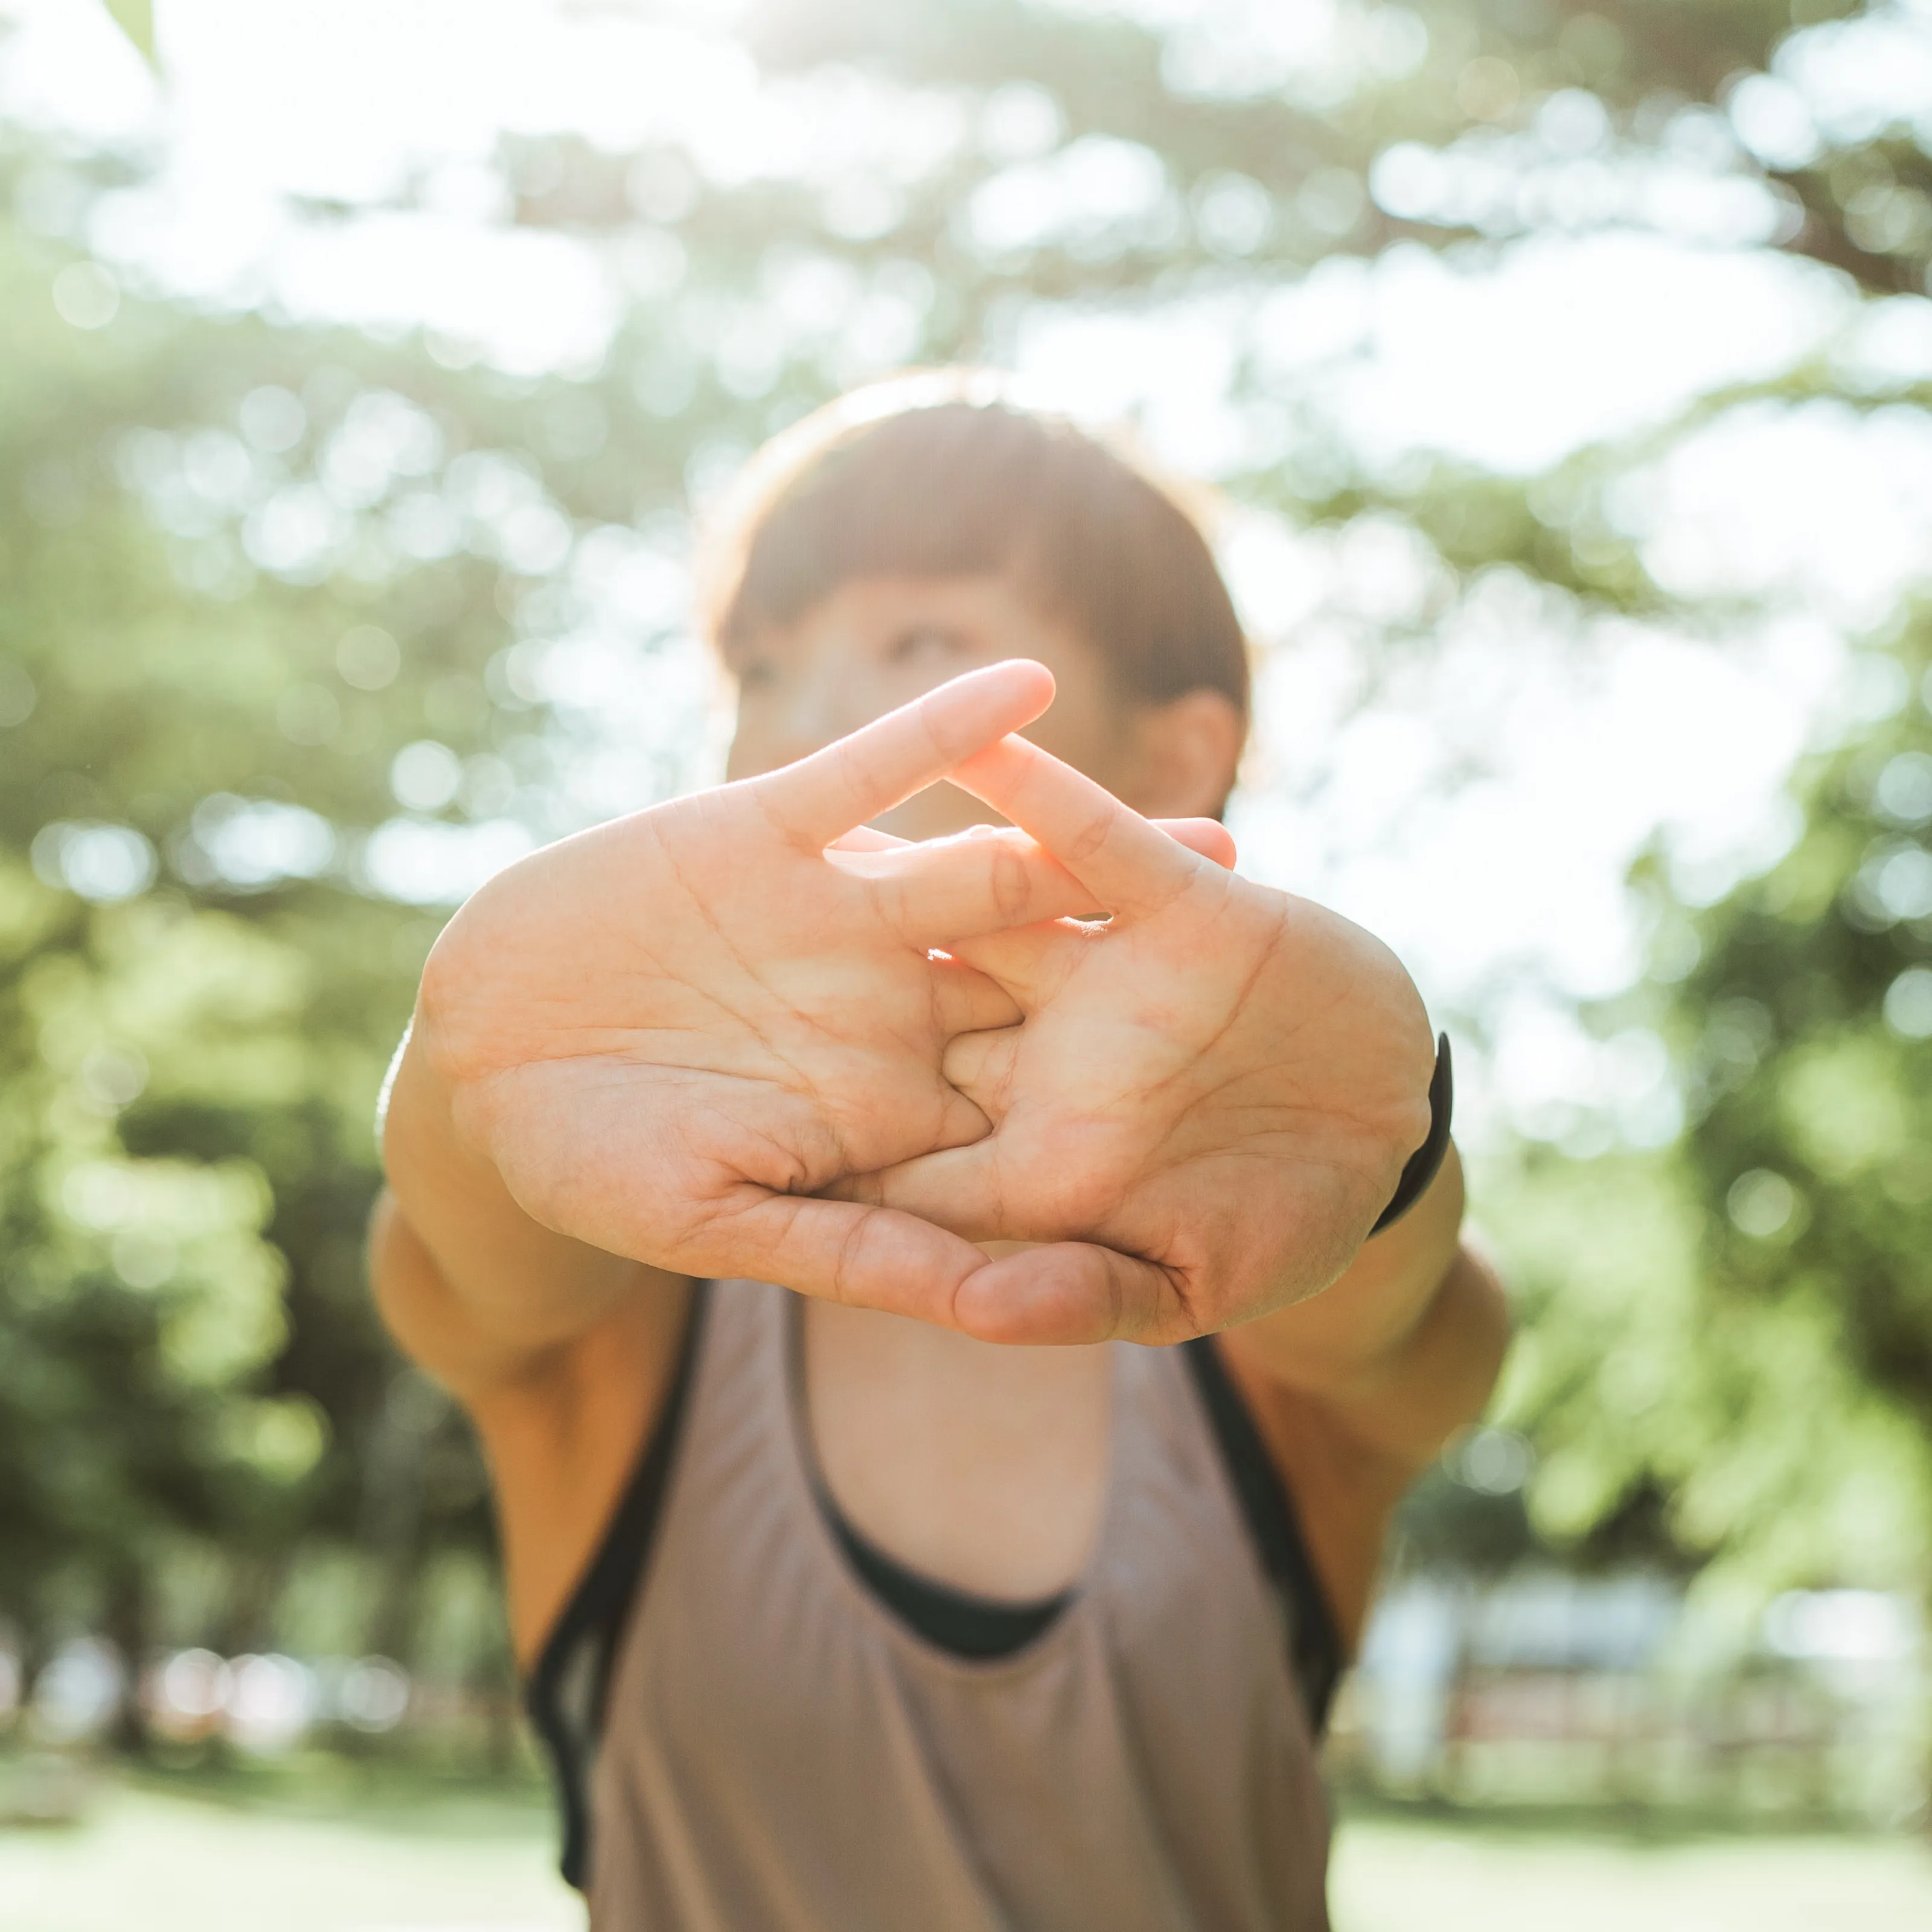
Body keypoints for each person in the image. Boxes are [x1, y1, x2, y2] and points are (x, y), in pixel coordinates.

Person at [370, 377, 1508, 1931]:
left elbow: (1398, 1315)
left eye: (920, 645)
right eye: (758, 668)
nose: (793, 716)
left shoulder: (1259, 1338)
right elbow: (460, 1252)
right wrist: (464, 1061)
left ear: (1183, 755)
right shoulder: (635, 1297)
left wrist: (1388, 1148)